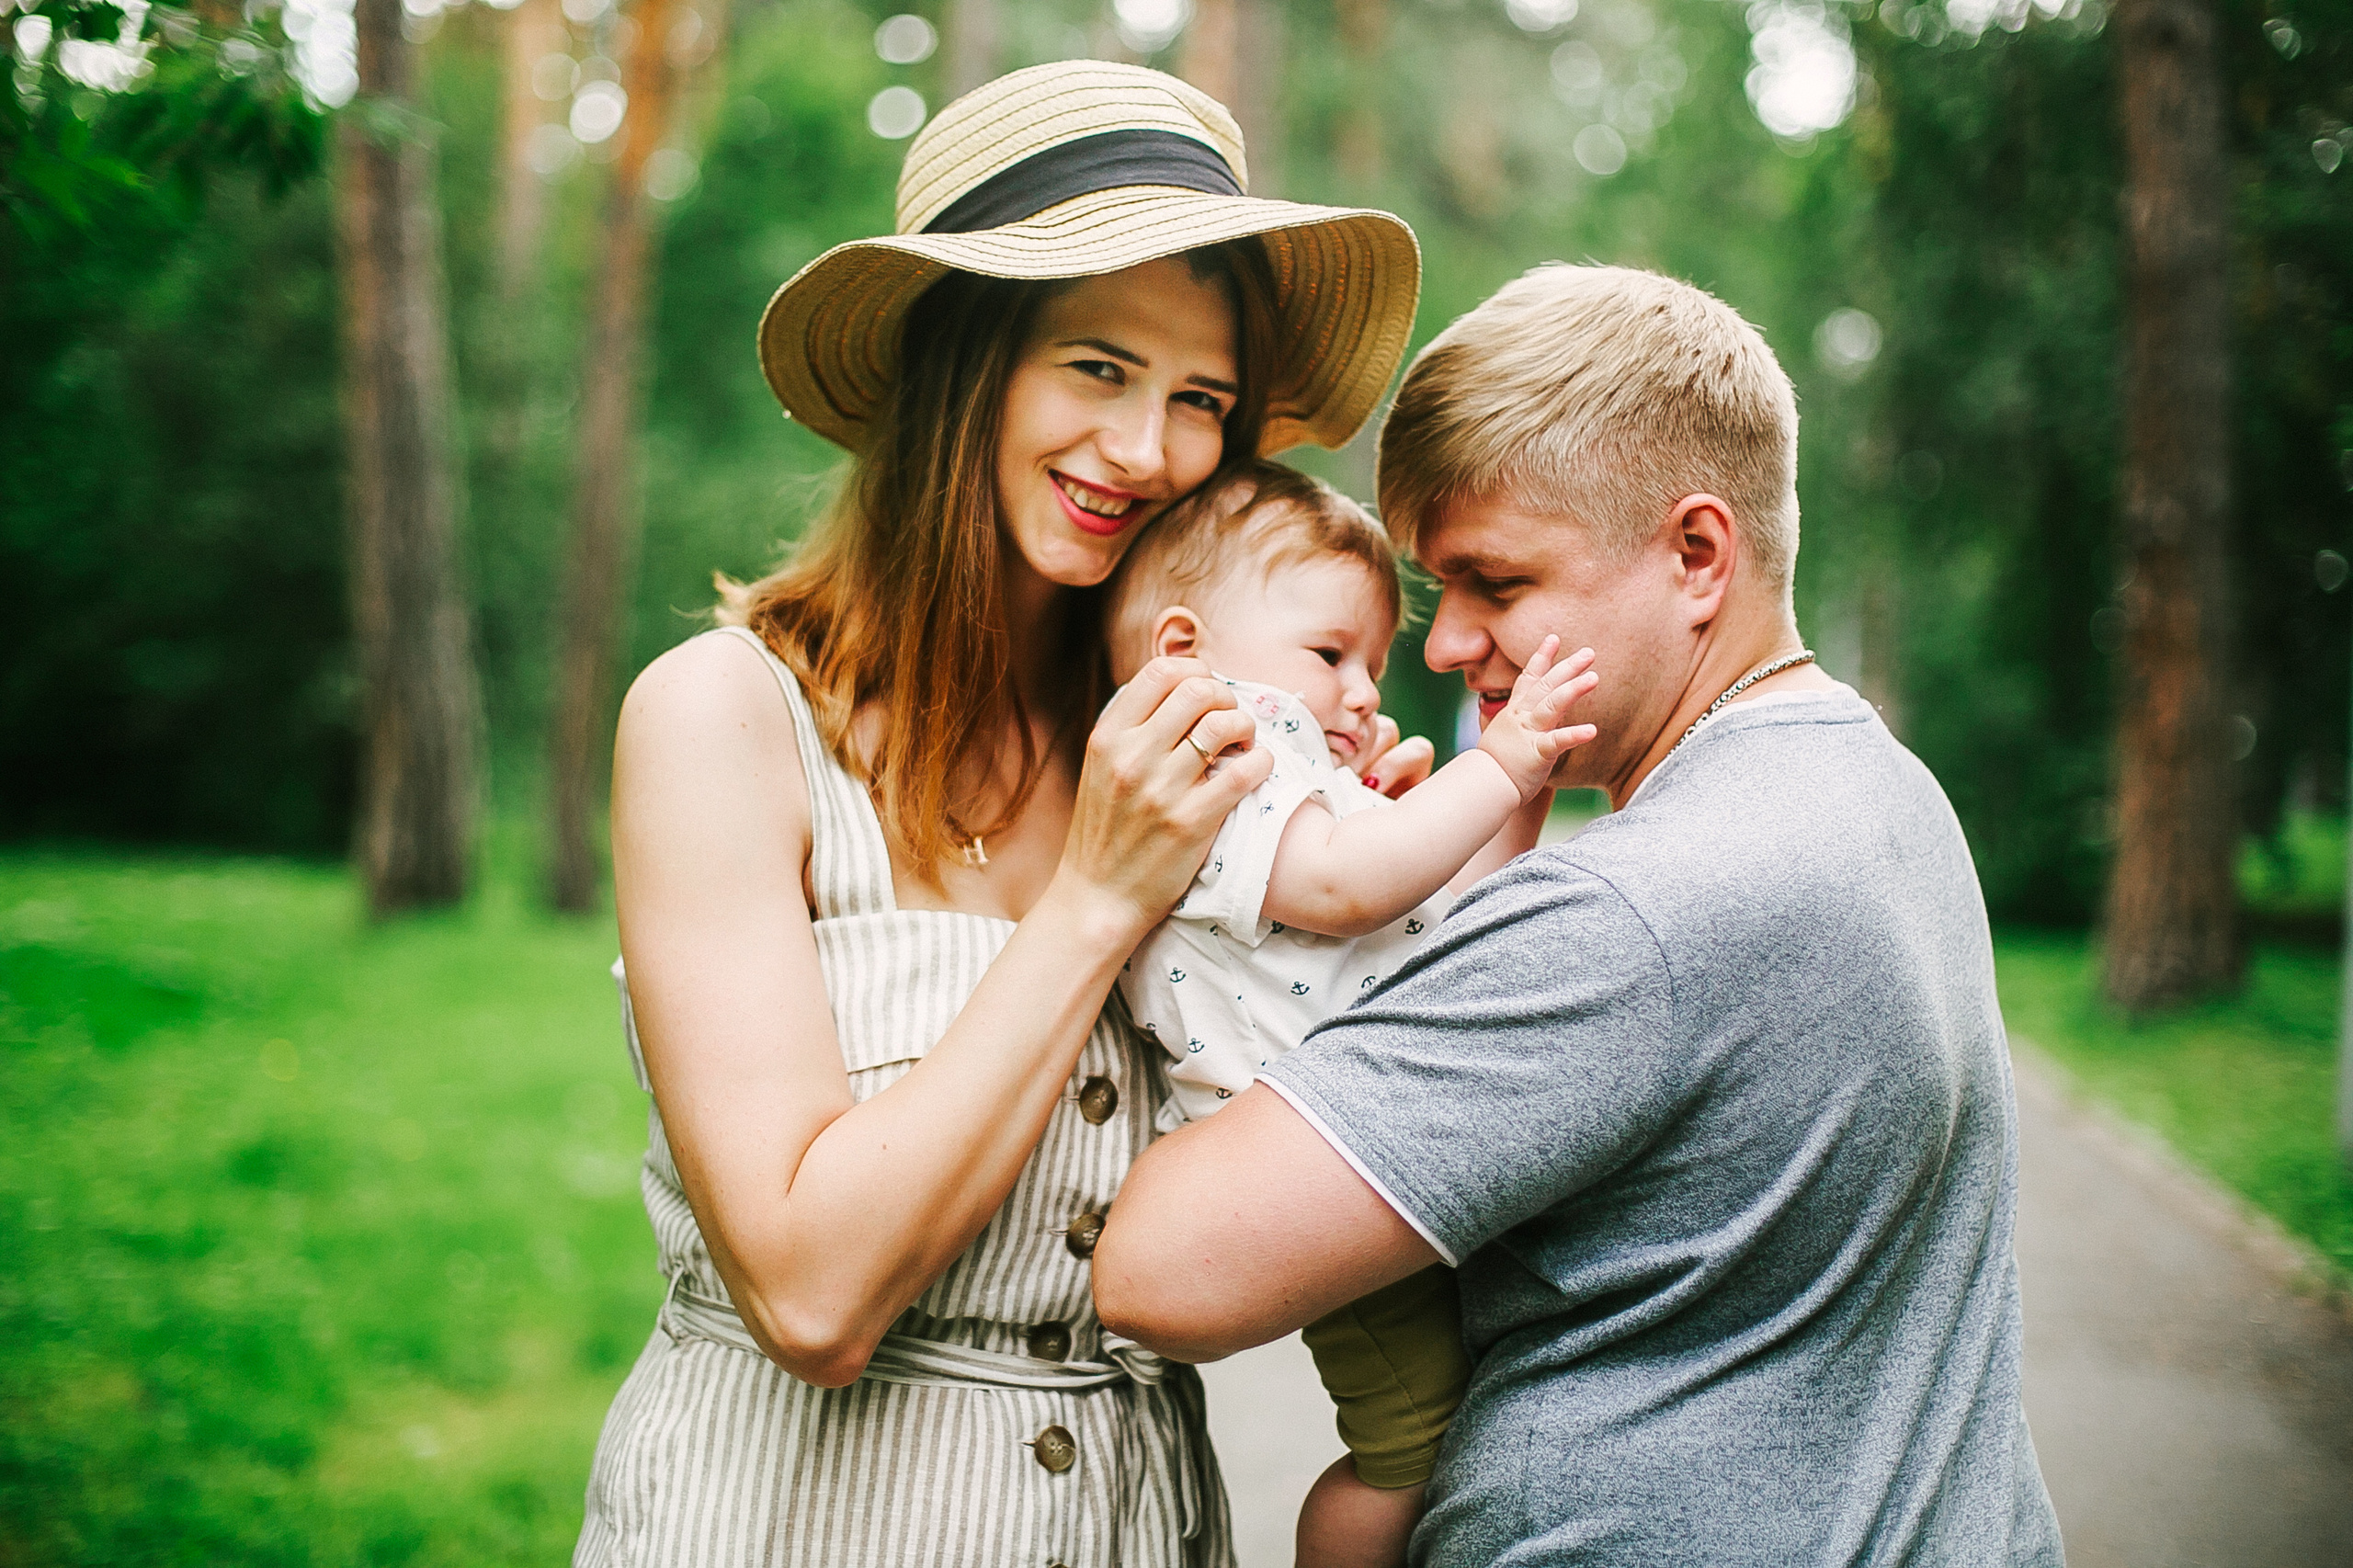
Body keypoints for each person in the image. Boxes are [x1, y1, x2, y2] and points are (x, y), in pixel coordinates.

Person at [574, 62, 1420, 1568]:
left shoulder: (1200, 758)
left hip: (1140, 1522)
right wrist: (1099, 897)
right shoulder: (725, 723)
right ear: (958, 365)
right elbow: (811, 1298)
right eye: (1096, 368)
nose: (1151, 451)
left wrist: (1373, 905)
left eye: (1201, 401)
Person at [1095, 264, 2065, 1567]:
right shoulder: (1878, 784)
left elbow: (1160, 1267)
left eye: (1495, 581)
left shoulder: (1631, 914)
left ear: (1697, 555)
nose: (1442, 648)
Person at [1101, 460, 1597, 1565]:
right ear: (1185, 652)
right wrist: (1500, 766)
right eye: (1330, 655)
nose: (1365, 689)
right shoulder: (1209, 766)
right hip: (1310, 1155)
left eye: (1370, 661)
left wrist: (1524, 800)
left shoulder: (1298, 779)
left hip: (1382, 1141)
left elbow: (1455, 920)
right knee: (1407, 1446)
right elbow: (1352, 885)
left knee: (1455, 1422)